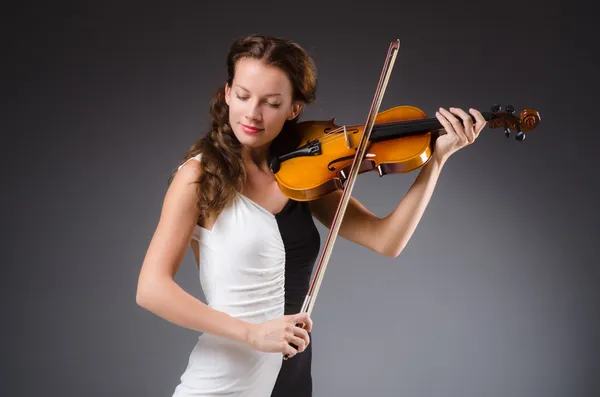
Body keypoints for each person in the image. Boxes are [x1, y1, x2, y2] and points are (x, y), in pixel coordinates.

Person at [135, 34, 486, 397]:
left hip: (293, 377)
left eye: (271, 103)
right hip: (226, 381)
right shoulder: (198, 176)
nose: (252, 113)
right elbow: (151, 289)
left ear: (293, 109)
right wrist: (251, 333)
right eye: (242, 96)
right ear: (227, 94)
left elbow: (387, 241)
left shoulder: (304, 172)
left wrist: (437, 160)